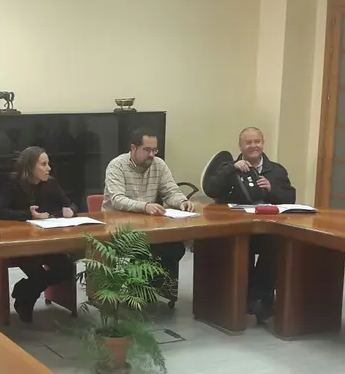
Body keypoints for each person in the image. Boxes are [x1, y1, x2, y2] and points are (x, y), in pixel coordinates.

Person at [203, 127, 296, 322]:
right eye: (248, 143)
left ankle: (259, 298)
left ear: (263, 143)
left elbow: (290, 198)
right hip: (237, 229)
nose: (253, 146)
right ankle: (246, 299)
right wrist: (231, 169)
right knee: (240, 248)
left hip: (267, 230)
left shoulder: (276, 170)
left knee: (276, 247)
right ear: (240, 146)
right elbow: (211, 189)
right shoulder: (229, 167)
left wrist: (271, 189)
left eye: (257, 142)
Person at [103, 128, 194, 303]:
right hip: (119, 227)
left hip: (149, 227)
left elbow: (171, 191)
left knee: (175, 247)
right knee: (142, 251)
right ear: (133, 148)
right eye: (147, 150)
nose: (152, 155)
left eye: (154, 150)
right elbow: (117, 200)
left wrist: (182, 201)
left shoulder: (159, 165)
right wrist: (145, 206)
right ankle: (140, 293)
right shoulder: (117, 166)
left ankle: (152, 288)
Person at [0, 146, 78, 322]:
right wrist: (28, 215)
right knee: (38, 274)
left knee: (66, 268)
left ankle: (23, 291)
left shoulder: (50, 183)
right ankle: (26, 301)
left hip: (46, 242)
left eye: (48, 164)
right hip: (21, 245)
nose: (48, 168)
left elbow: (70, 204)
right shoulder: (13, 183)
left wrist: (70, 210)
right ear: (30, 167)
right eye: (43, 164)